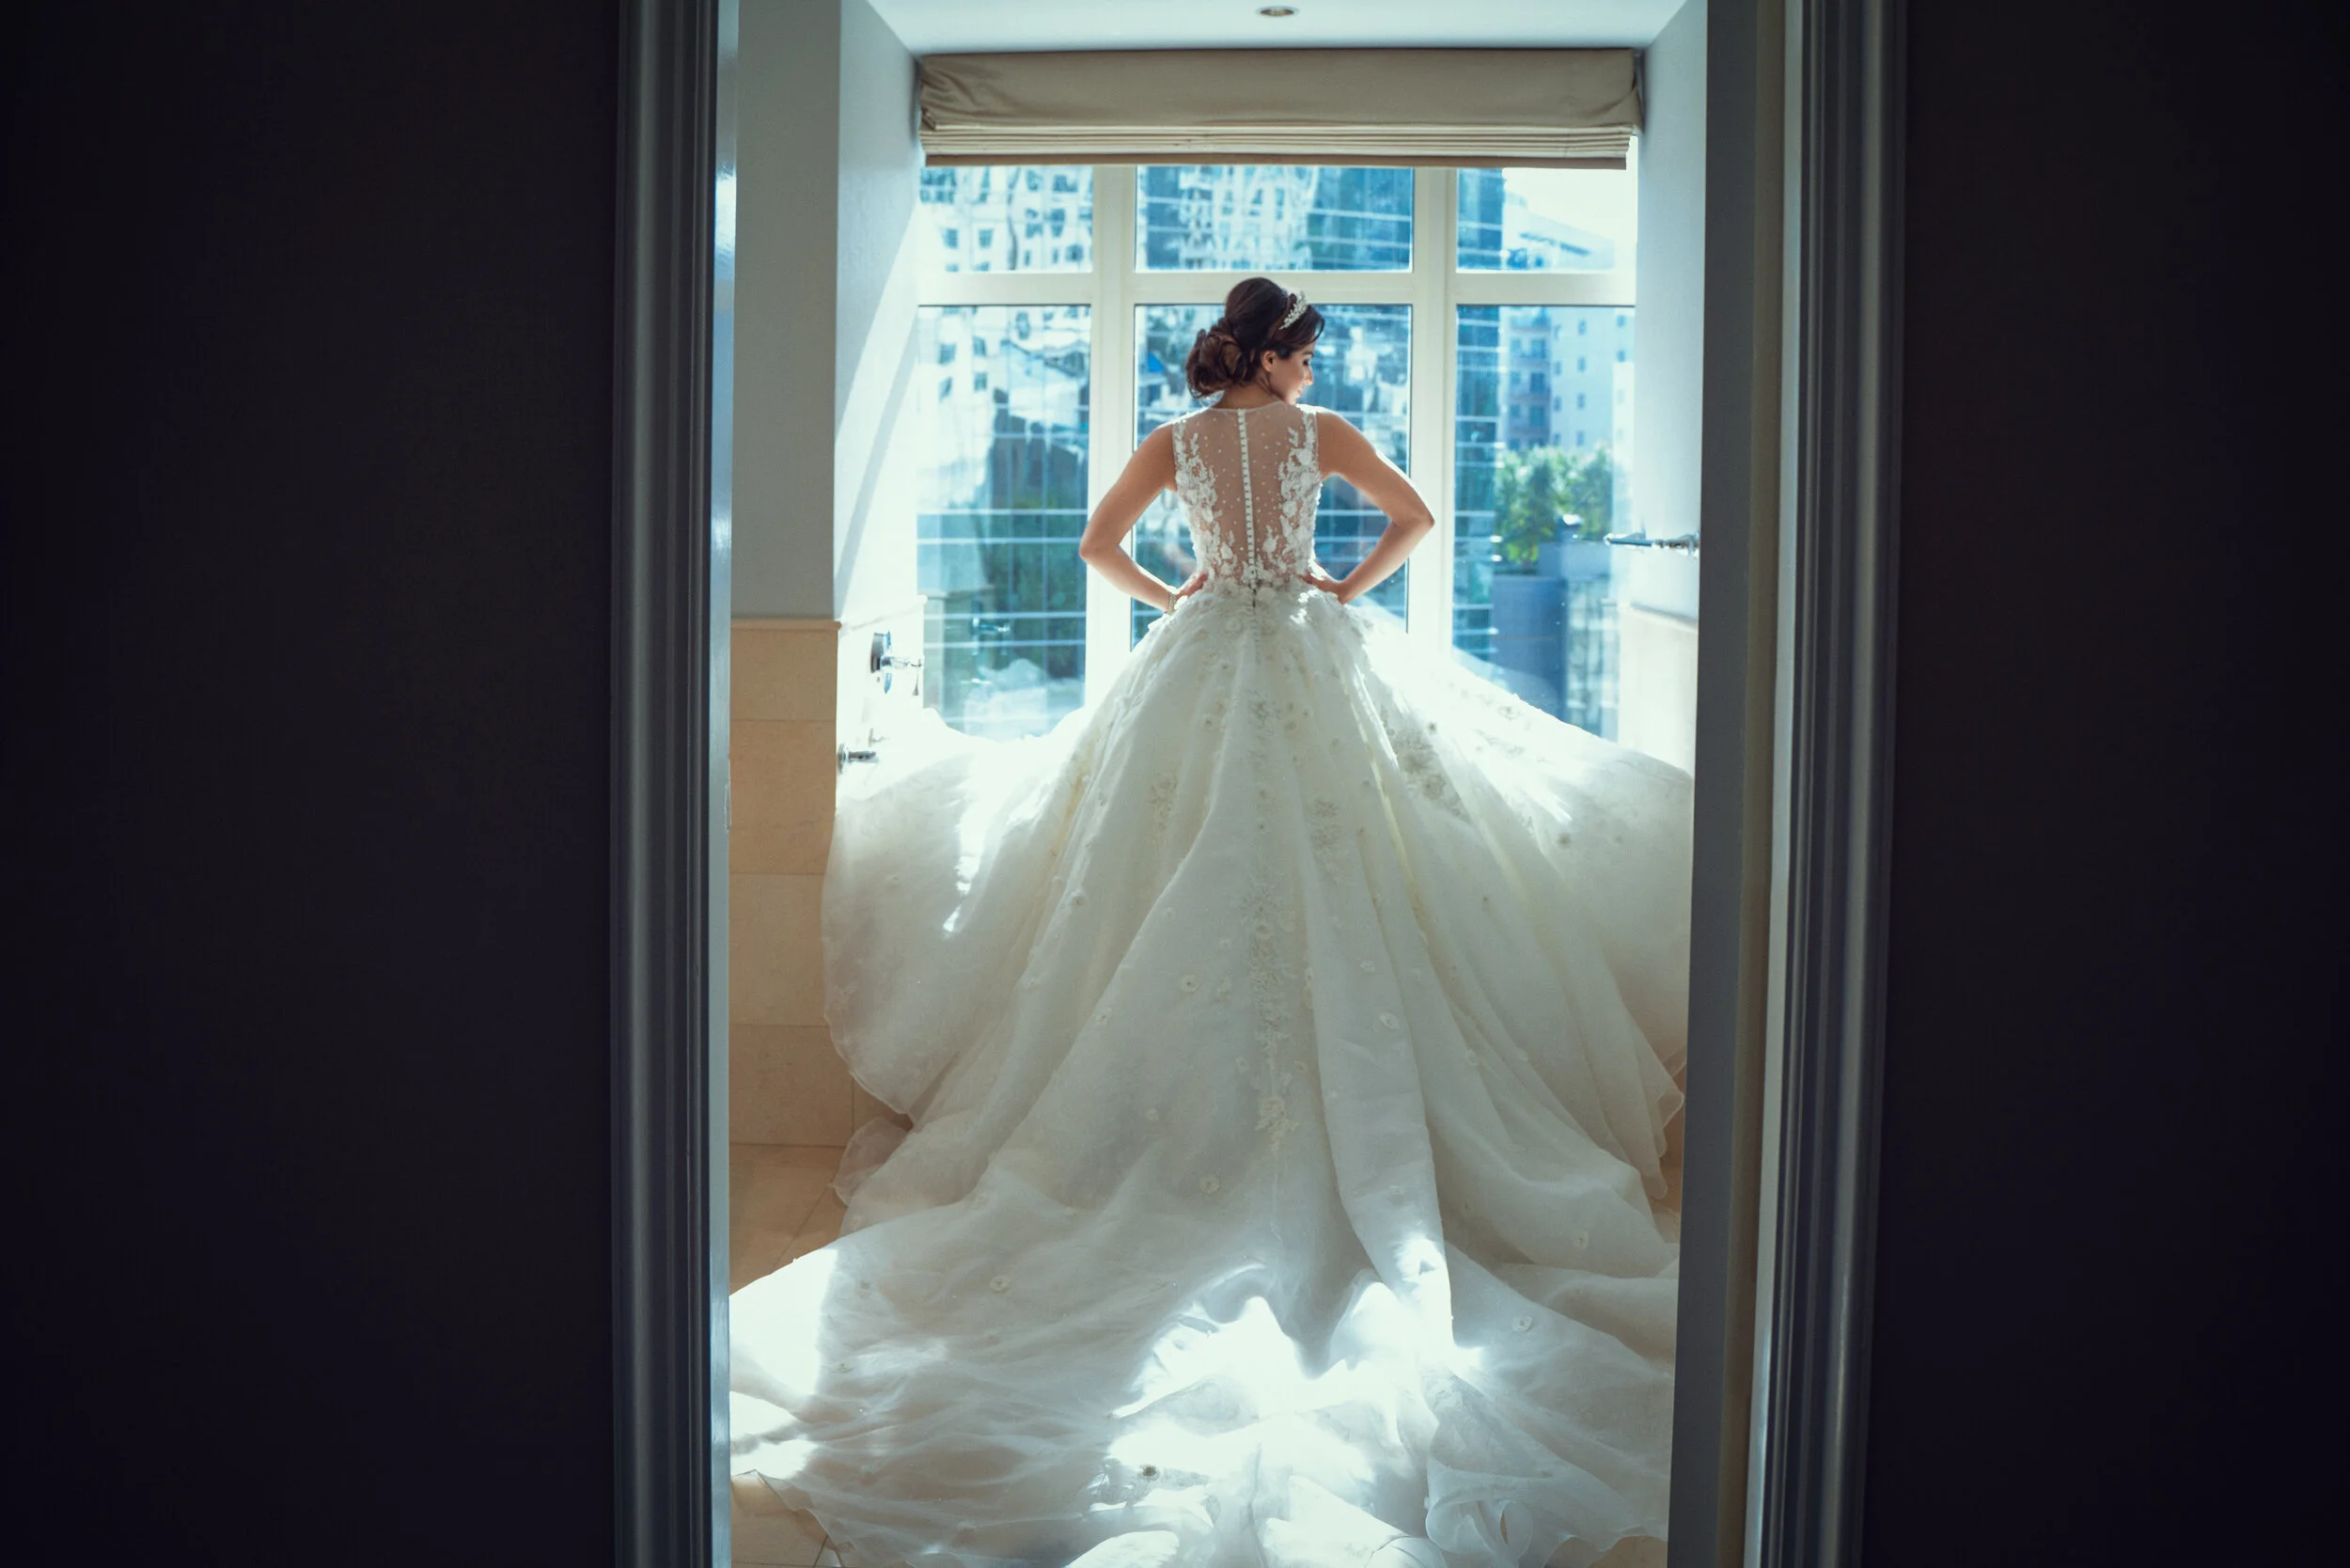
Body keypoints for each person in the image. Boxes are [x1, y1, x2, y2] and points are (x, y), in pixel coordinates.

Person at [729, 276, 1693, 1567]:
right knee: (1371, 865)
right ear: (1279, 354)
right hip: (1305, 645)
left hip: (1197, 660)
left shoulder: (1177, 441)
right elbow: (1417, 516)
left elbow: (1097, 548)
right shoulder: (1318, 433)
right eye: (1308, 353)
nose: (1312, 371)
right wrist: (1340, 582)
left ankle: (1155, 1130)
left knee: (1148, 874)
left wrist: (1176, 595)